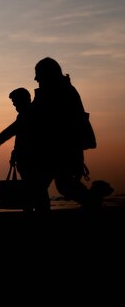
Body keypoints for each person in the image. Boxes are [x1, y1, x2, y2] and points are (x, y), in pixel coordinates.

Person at [29, 57, 112, 211]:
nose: (35, 78)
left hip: (59, 149)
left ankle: (94, 199)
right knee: (60, 185)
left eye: (38, 73)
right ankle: (94, 199)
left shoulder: (58, 92)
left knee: (47, 185)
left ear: (47, 74)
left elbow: (53, 121)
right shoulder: (63, 90)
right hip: (60, 148)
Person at [0, 87, 47, 211]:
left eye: (15, 102)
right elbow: (20, 139)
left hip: (32, 160)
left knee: (35, 192)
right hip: (28, 159)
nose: (14, 105)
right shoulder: (26, 114)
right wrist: (14, 154)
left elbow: (18, 135)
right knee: (37, 192)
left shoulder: (28, 114)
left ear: (23, 100)